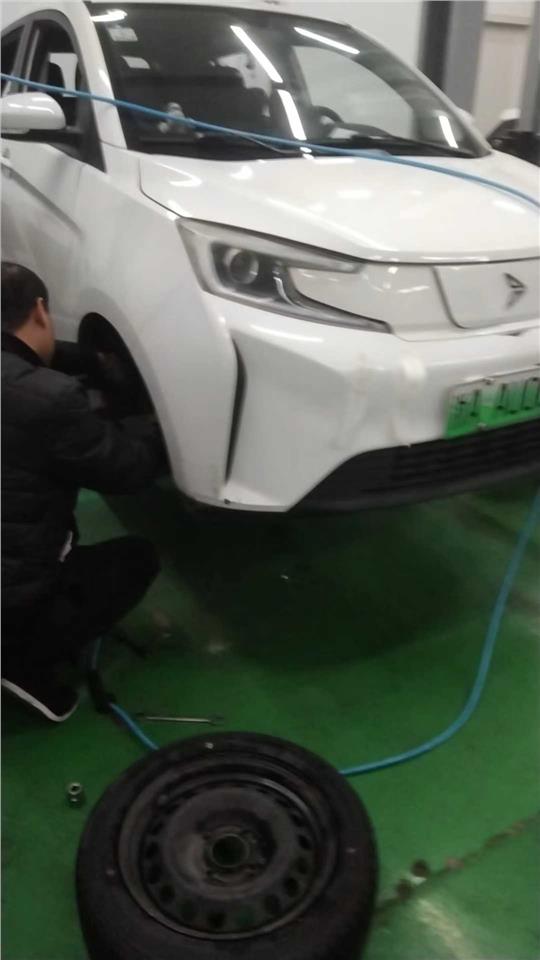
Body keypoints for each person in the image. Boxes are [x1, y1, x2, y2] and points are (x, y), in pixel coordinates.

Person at [1, 262, 166, 722]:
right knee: (135, 559)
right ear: (40, 310)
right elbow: (129, 471)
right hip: (9, 601)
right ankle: (21, 664)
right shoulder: (49, 400)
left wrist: (94, 361)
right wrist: (156, 429)